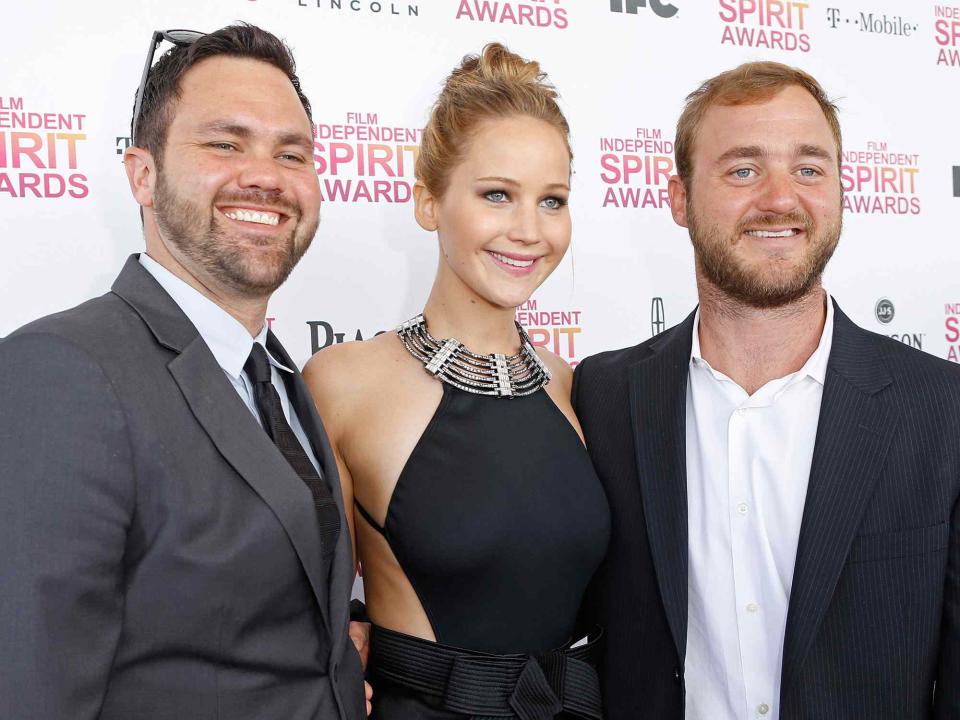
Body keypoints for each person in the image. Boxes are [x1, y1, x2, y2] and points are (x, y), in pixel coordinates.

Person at [0, 24, 367, 720]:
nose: (265, 175)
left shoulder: (280, 376)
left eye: (291, 152)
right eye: (224, 143)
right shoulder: (61, 373)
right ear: (142, 173)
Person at [574, 61, 960, 720]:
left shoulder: (943, 411)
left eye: (809, 169)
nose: (781, 199)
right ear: (679, 197)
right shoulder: (603, 398)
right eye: (743, 169)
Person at [303, 43, 611, 720]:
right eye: (497, 194)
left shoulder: (578, 388)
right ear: (428, 202)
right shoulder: (344, 384)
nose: (529, 231)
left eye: (552, 200)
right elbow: (296, 599)